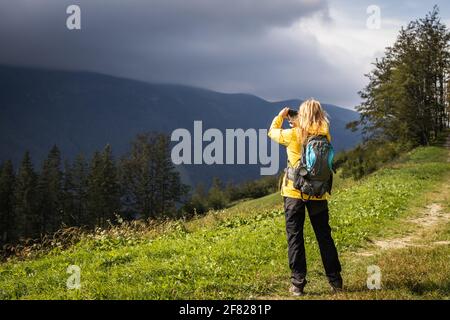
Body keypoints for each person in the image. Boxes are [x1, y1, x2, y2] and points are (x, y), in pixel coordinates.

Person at [268, 99, 342, 296]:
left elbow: (272, 133)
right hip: (318, 194)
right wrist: (301, 122)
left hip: (294, 193)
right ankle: (335, 281)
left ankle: (298, 283)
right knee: (324, 236)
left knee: (295, 237)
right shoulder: (324, 133)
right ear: (319, 114)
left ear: (301, 115)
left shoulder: (293, 134)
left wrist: (281, 117)